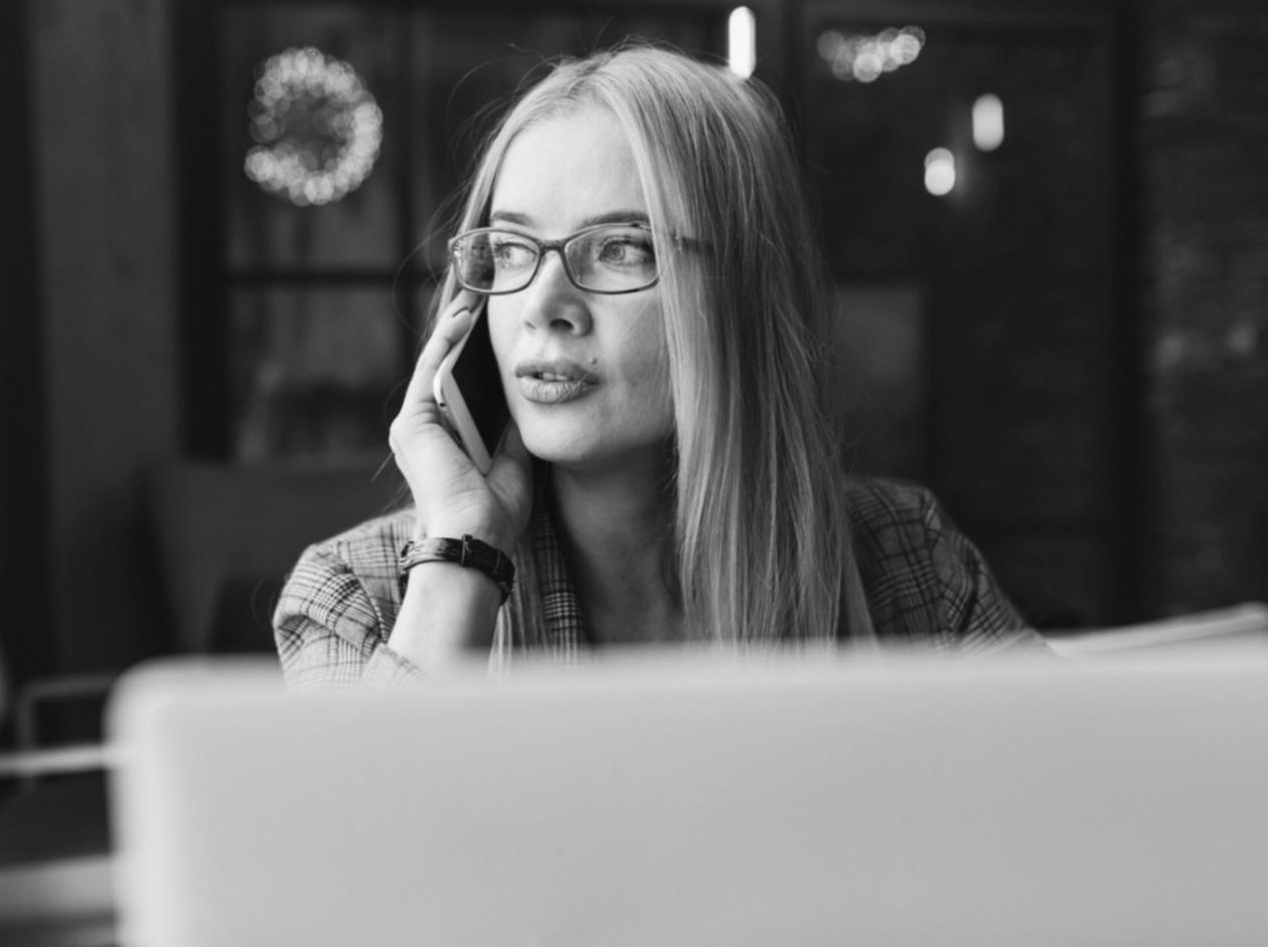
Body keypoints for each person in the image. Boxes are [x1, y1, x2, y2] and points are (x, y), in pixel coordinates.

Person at [273, 43, 1046, 689]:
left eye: (621, 248)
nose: (544, 304)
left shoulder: (907, 559)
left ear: (740, 292)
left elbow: (1084, 827)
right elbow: (359, 861)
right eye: (510, 250)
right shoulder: (358, 596)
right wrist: (461, 557)